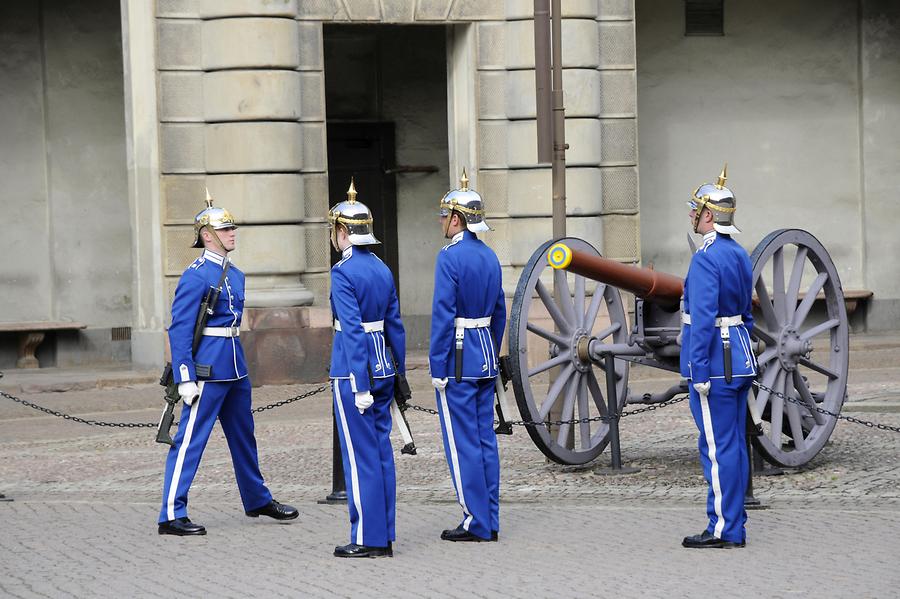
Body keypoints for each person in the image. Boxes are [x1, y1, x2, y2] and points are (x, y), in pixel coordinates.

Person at [158, 190, 298, 536]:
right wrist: (185, 375)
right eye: (225, 229)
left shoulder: (235, 274)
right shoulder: (196, 274)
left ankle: (257, 499)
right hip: (207, 368)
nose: (232, 233)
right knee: (191, 440)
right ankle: (171, 513)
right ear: (207, 235)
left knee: (243, 437)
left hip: (234, 364)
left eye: (232, 228)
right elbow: (180, 329)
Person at [328, 180, 406, 558]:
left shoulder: (343, 272)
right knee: (380, 454)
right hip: (384, 366)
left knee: (360, 459)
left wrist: (359, 382)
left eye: (335, 230)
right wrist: (399, 372)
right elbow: (396, 326)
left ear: (343, 232)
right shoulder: (381, 268)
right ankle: (384, 531)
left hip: (354, 369)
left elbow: (352, 330)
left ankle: (368, 537)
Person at [680, 165, 756, 549]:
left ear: (710, 215)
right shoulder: (739, 253)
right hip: (739, 357)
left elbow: (703, 320)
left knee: (716, 447)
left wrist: (698, 370)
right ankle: (734, 521)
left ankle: (724, 527)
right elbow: (748, 311)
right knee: (734, 445)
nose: (693, 215)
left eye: (697, 210)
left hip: (715, 361)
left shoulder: (705, 258)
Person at [429, 169, 506, 543]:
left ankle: (475, 520)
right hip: (484, 356)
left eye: (445, 215)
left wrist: (437, 364)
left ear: (457, 219)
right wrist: (490, 349)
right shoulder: (490, 256)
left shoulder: (450, 258)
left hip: (458, 358)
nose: (442, 221)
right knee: (484, 441)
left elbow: (443, 316)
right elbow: (500, 312)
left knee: (462, 446)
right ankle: (489, 517)